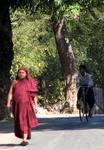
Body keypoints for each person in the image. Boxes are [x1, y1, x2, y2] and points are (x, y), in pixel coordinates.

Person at [6, 67, 38, 146]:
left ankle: (24, 139)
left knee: (25, 121)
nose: (21, 74)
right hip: (17, 106)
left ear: (26, 74)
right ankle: (24, 138)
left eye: (23, 72)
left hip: (27, 106)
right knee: (19, 122)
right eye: (19, 72)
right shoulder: (15, 82)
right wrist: (8, 103)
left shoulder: (29, 82)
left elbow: (34, 96)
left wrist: (36, 106)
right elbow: (10, 93)